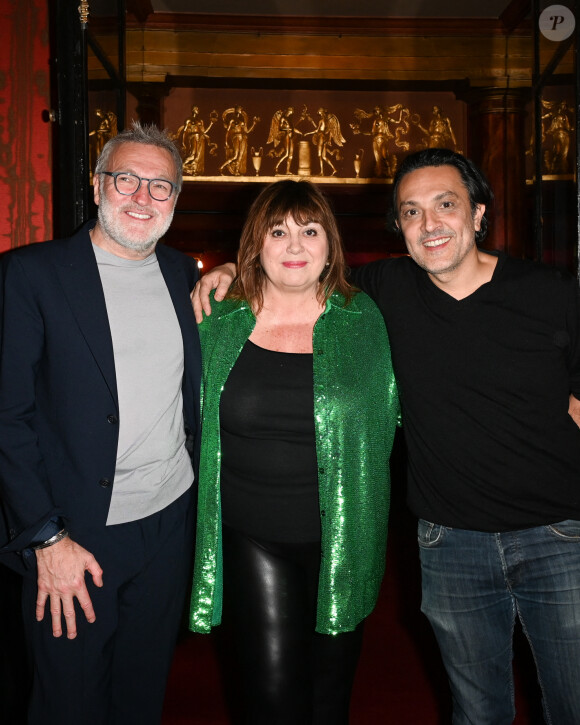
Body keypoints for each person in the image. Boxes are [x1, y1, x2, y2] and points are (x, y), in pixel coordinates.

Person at [192, 148, 580, 724]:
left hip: (555, 533)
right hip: (450, 542)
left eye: (445, 205)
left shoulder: (544, 293)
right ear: (398, 227)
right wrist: (224, 271)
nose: (430, 224)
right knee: (477, 712)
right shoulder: (370, 297)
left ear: (478, 214)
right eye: (412, 212)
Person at [0, 122, 202, 725]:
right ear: (97, 186)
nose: (142, 197)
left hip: (169, 523)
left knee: (142, 695)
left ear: (176, 199)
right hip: (76, 533)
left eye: (160, 186)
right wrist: (45, 536)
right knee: (70, 701)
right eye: (127, 179)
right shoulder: (30, 276)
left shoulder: (184, 277)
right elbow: (7, 419)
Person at [189, 179, 399, 725]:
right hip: (251, 535)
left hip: (345, 540)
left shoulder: (365, 319)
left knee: (330, 701)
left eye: (310, 230)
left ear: (330, 243)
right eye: (277, 231)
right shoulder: (218, 320)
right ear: (255, 243)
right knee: (274, 700)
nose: (295, 245)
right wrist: (225, 272)